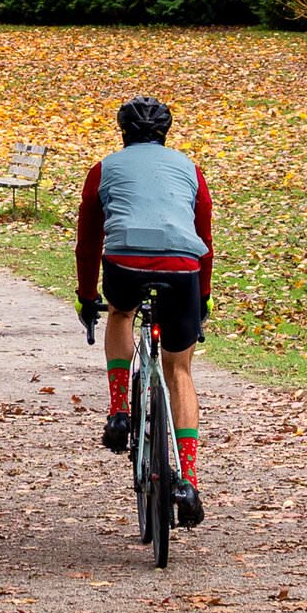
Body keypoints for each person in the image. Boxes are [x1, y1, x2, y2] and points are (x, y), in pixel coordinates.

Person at [75, 94, 213, 525]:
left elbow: (89, 236)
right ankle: (187, 479)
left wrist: (85, 295)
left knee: (120, 312)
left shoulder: (106, 168)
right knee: (180, 370)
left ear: (124, 133)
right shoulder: (190, 168)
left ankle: (119, 412)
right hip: (182, 266)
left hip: (124, 261)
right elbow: (204, 231)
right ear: (165, 133)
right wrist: (202, 296)